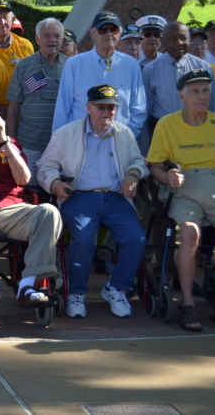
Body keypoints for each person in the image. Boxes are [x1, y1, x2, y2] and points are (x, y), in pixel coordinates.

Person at [147, 69, 215, 332]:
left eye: (205, 90)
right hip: (183, 186)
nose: (201, 96)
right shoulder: (167, 123)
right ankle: (187, 304)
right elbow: (154, 166)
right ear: (182, 96)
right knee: (189, 233)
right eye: (195, 91)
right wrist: (166, 178)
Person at [38, 85, 149, 319]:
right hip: (78, 196)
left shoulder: (124, 133)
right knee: (84, 238)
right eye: (101, 107)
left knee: (136, 237)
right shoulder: (66, 133)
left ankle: (116, 288)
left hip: (114, 197)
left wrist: (133, 174)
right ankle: (76, 293)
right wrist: (56, 184)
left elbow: (138, 161)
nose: (106, 112)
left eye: (111, 108)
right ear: (88, 108)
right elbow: (45, 166)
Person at [0, 90, 62, 307]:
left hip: (12, 208)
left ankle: (27, 285)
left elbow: (24, 178)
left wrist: (3, 140)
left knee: (49, 211)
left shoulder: (10, 142)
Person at [52, 11, 146, 137]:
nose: (108, 34)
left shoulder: (131, 65)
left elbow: (138, 108)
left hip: (118, 141)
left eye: (113, 29)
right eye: (103, 29)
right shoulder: (74, 64)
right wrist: (61, 142)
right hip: (81, 141)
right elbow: (62, 109)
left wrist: (126, 136)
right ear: (92, 33)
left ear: (119, 33)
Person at [5, 17, 67, 177]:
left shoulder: (71, 66)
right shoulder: (23, 66)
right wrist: (11, 144)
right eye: (47, 36)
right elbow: (12, 108)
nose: (52, 40)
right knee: (28, 189)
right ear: (37, 39)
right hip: (29, 145)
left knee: (58, 190)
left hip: (63, 146)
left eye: (57, 36)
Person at [142, 22, 215, 128]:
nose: (179, 43)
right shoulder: (150, 70)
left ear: (189, 40)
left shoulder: (203, 67)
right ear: (162, 41)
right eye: (172, 39)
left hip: (198, 131)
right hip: (164, 132)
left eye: (183, 38)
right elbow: (145, 113)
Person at [0, 0, 34, 75]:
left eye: (5, 17)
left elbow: (32, 75)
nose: (2, 22)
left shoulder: (25, 45)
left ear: (13, 20)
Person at [188, 27, 215, 96]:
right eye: (192, 43)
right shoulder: (179, 71)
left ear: (207, 45)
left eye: (201, 42)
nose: (198, 47)